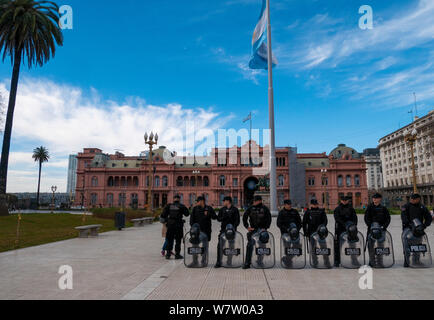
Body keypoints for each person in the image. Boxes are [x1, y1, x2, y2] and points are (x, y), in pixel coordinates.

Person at [401, 194, 432, 267]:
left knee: (417, 245)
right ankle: (407, 261)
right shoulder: (406, 207)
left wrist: (424, 225)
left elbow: (429, 218)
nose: (412, 200)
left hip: (419, 229)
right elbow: (404, 217)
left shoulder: (422, 207)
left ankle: (416, 261)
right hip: (408, 229)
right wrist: (410, 225)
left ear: (418, 199)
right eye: (411, 199)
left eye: (414, 199)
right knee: (407, 245)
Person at [242, 195, 272, 269]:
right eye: (253, 201)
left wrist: (265, 228)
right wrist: (247, 227)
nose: (253, 202)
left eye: (255, 201)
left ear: (259, 201)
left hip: (262, 230)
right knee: (250, 245)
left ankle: (259, 261)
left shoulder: (265, 209)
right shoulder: (251, 208)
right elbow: (244, 217)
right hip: (253, 229)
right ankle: (247, 262)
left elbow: (269, 219)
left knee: (262, 246)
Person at [160, 195, 190, 260]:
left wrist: (167, 220)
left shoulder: (169, 206)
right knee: (178, 240)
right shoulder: (182, 206)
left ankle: (168, 254)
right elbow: (187, 214)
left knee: (169, 239)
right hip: (178, 225)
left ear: (173, 199)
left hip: (170, 225)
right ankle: (177, 254)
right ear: (179, 199)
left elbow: (163, 215)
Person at [215, 196, 240, 268]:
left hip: (232, 231)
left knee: (231, 246)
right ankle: (219, 261)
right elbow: (218, 219)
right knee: (220, 245)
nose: (223, 202)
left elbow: (237, 221)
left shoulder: (235, 210)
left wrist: (234, 228)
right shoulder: (222, 209)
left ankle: (229, 261)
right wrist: (224, 217)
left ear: (228, 201)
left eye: (224, 201)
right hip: (223, 230)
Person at [333, 196, 358, 267]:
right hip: (340, 228)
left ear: (348, 201)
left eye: (345, 200)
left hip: (351, 229)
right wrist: (345, 225)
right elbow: (337, 219)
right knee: (338, 245)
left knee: (352, 244)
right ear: (341, 201)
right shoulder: (337, 209)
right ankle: (337, 260)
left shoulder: (351, 209)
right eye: (343, 200)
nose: (344, 201)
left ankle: (354, 260)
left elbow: (355, 218)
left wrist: (353, 226)